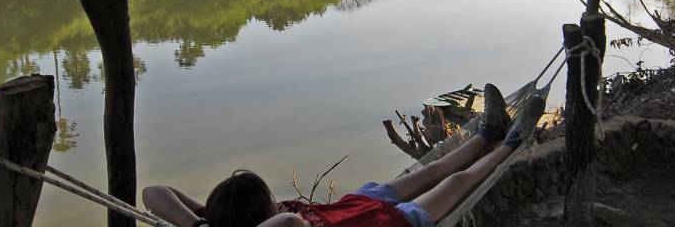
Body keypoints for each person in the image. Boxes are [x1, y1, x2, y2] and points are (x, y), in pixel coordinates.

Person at [143, 84, 545, 227]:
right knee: (457, 182)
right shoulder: (282, 225)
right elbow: (286, 221)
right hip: (392, 223)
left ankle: (487, 131)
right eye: (268, 199)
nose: (276, 201)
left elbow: (153, 192)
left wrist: (197, 224)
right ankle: (511, 141)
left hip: (360, 205)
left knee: (436, 167)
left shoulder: (226, 222)